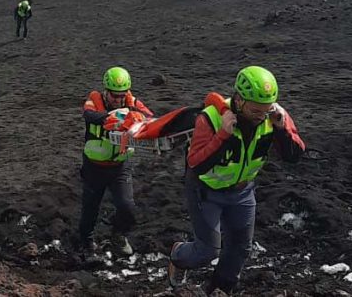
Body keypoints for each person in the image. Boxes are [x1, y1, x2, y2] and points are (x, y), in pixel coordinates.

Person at [167, 66, 306, 293]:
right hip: (206, 190)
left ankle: (219, 289)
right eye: (255, 111)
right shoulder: (210, 119)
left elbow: (294, 156)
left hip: (242, 192)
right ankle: (178, 256)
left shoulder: (275, 114)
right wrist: (223, 136)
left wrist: (281, 130)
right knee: (207, 250)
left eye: (265, 110)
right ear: (239, 100)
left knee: (240, 248)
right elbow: (196, 164)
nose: (261, 116)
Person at [79, 66, 154, 258]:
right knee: (90, 207)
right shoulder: (94, 100)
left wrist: (136, 116)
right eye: (114, 96)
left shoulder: (132, 102)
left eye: (122, 95)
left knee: (127, 207)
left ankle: (118, 235)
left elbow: (150, 118)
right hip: (94, 166)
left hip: (120, 166)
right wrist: (114, 117)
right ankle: (85, 242)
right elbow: (88, 114)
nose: (118, 100)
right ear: (106, 91)